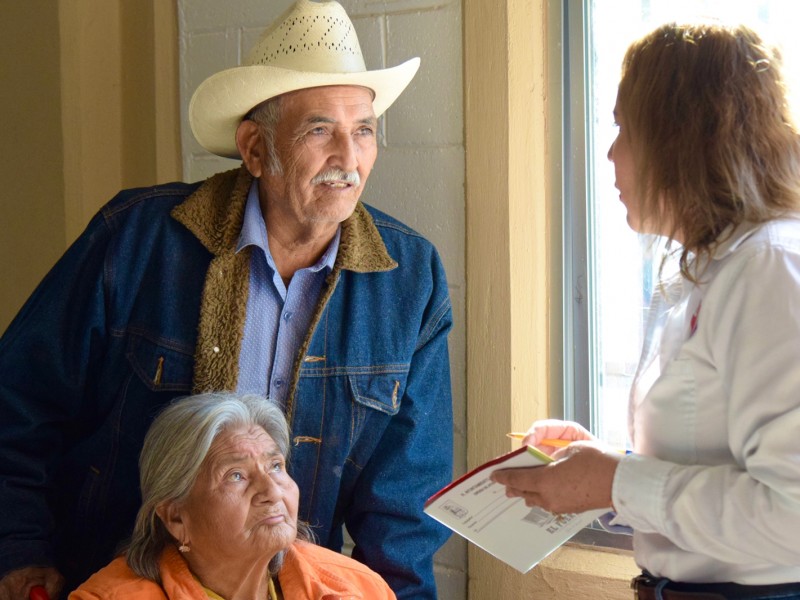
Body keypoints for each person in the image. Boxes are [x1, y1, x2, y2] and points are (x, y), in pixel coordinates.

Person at [0, 1, 453, 598]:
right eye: (320, 130)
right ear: (255, 148)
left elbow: (405, 499)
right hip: (112, 577)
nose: (348, 158)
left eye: (363, 130)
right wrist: (20, 548)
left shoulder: (409, 277)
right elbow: (19, 401)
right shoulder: (136, 239)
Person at [492, 22, 800, 599]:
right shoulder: (699, 270)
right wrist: (602, 467)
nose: (609, 154)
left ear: (679, 138)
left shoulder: (773, 271)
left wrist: (616, 482)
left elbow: (793, 518)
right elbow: (714, 459)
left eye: (624, 129)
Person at [69, 392, 396, 600]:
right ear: (176, 517)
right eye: (236, 476)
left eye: (276, 466)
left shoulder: (360, 588)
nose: (271, 491)